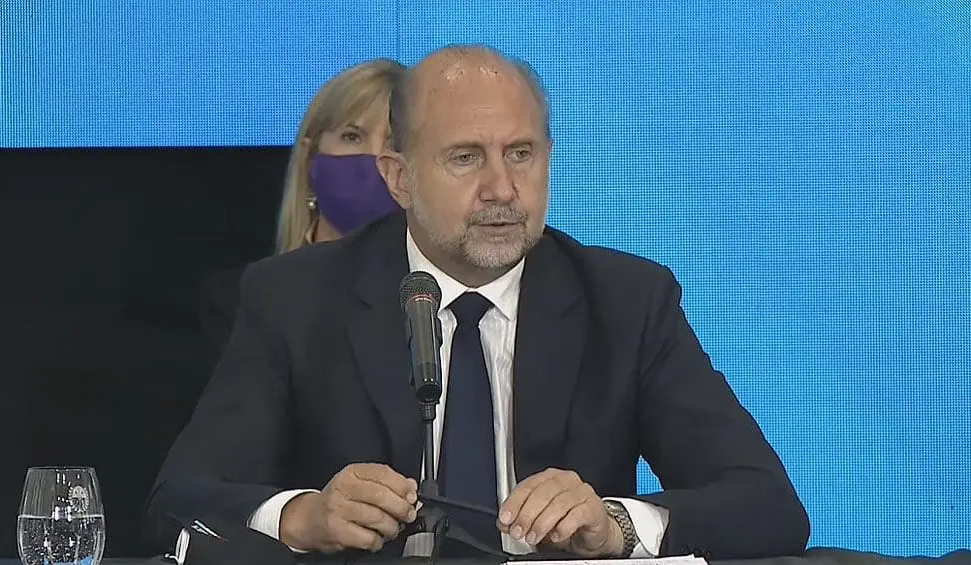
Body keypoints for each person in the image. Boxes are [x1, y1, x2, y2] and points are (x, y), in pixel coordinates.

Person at [146, 45, 810, 560]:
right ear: (399, 177)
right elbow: (177, 501)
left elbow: (767, 504)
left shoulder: (627, 301)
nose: (502, 188)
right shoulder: (294, 298)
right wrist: (301, 517)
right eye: (466, 158)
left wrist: (616, 524)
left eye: (521, 153)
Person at [198, 58, 404, 364]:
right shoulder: (242, 301)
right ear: (310, 160)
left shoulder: (442, 305)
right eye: (352, 137)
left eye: (394, 142)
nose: (374, 158)